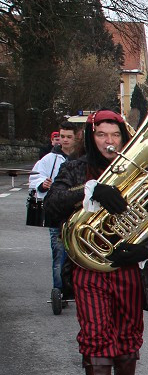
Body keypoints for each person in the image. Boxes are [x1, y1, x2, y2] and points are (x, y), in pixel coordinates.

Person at [43, 109, 148, 375]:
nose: (108, 141)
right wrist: (90, 191)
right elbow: (51, 206)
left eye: (114, 135)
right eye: (101, 135)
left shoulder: (138, 173)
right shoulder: (74, 169)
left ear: (124, 139)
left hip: (127, 266)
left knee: (128, 330)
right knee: (96, 332)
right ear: (91, 137)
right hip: (89, 266)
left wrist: (143, 249)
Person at [30, 122, 79, 304]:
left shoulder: (82, 158)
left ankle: (79, 289)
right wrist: (42, 184)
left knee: (79, 255)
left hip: (78, 214)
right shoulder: (49, 159)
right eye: (62, 136)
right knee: (59, 254)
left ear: (76, 137)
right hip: (56, 215)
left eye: (68, 137)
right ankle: (60, 291)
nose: (64, 140)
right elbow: (35, 176)